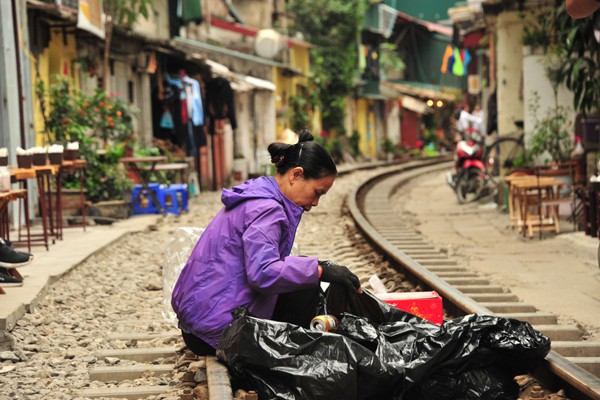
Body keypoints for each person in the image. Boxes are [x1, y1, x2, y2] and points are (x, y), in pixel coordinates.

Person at [171, 129, 362, 356]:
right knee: (306, 286)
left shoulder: (260, 193)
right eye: (317, 192)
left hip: (200, 322)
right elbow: (263, 273)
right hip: (215, 331)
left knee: (305, 274)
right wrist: (320, 270)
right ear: (296, 175)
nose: (316, 202)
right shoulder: (267, 210)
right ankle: (290, 357)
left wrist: (316, 268)